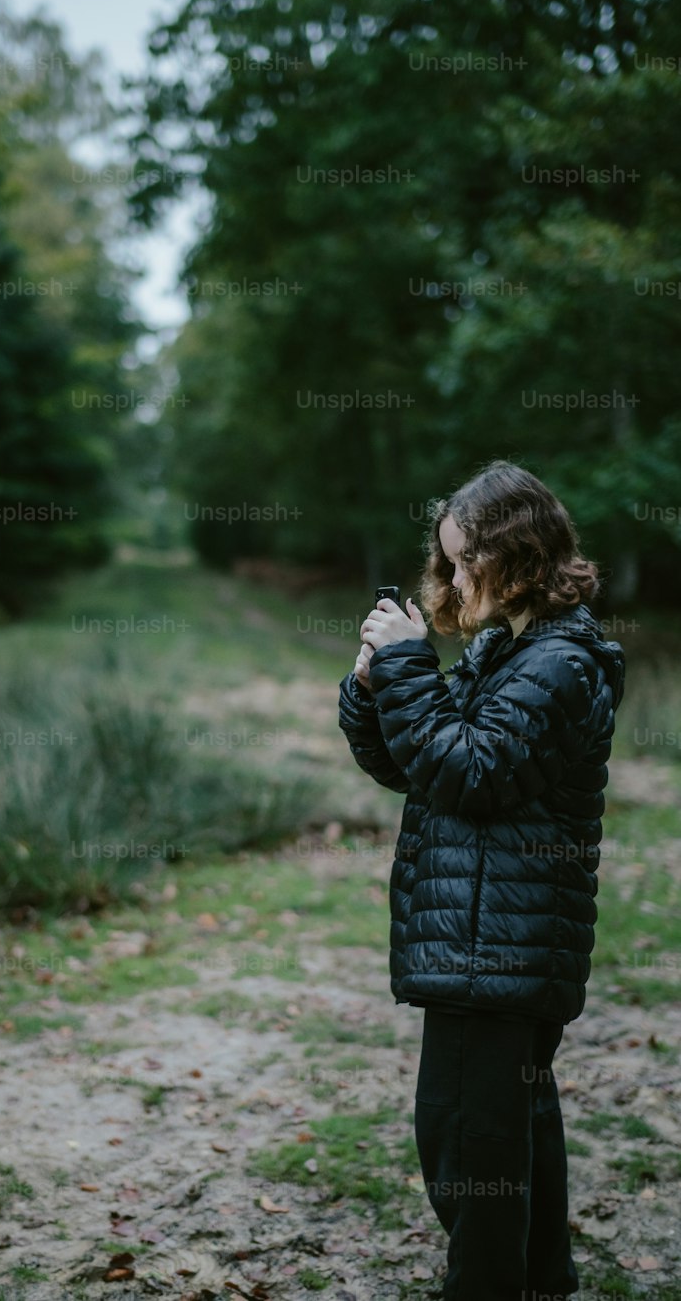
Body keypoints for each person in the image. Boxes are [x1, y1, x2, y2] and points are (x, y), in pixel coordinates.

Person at [337, 460, 625, 1301]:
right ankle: (540, 1279)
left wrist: (408, 671)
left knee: (466, 1145)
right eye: (448, 562)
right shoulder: (512, 649)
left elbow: (471, 769)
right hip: (489, 938)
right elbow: (417, 765)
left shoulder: (560, 663)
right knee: (510, 1131)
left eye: (466, 561)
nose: (453, 578)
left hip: (495, 945)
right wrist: (370, 683)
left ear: (519, 555)